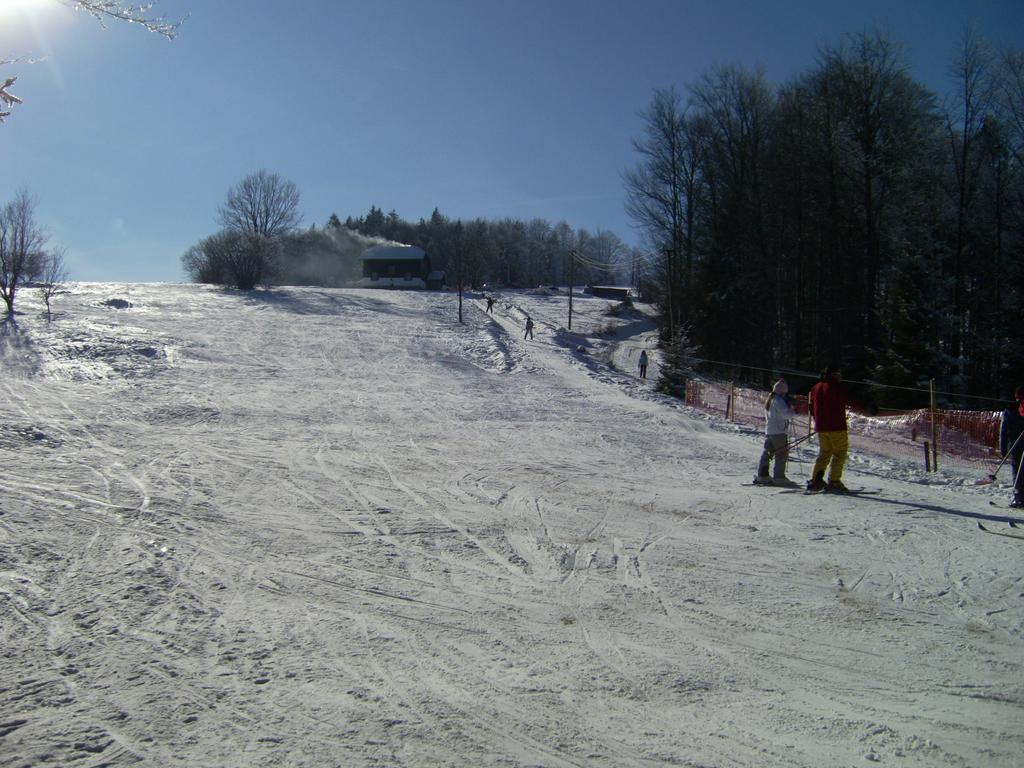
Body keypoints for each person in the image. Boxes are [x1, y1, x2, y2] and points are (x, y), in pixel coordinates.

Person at [807, 365, 853, 493]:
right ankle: (834, 481)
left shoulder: (816, 387)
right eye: (838, 374)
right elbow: (850, 400)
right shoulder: (835, 387)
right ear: (833, 374)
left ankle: (815, 480)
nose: (840, 376)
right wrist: (867, 407)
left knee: (825, 453)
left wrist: (818, 421)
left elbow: (811, 407)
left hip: (821, 427)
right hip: (836, 426)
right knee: (839, 453)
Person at [754, 379, 797, 486]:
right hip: (779, 432)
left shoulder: (770, 399)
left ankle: (762, 475)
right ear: (782, 392)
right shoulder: (778, 400)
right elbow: (786, 415)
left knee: (767, 454)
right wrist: (792, 409)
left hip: (770, 431)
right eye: (785, 393)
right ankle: (779, 477)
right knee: (781, 454)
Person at [999, 385, 1024, 508]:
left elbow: (1003, 431)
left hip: (1016, 445)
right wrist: (1003, 448)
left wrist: (1003, 448)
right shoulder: (1010, 411)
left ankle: (1019, 498)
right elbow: (1004, 431)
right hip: (1016, 445)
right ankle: (1018, 498)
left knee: (1018, 473)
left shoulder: (1009, 410)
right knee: (1018, 472)